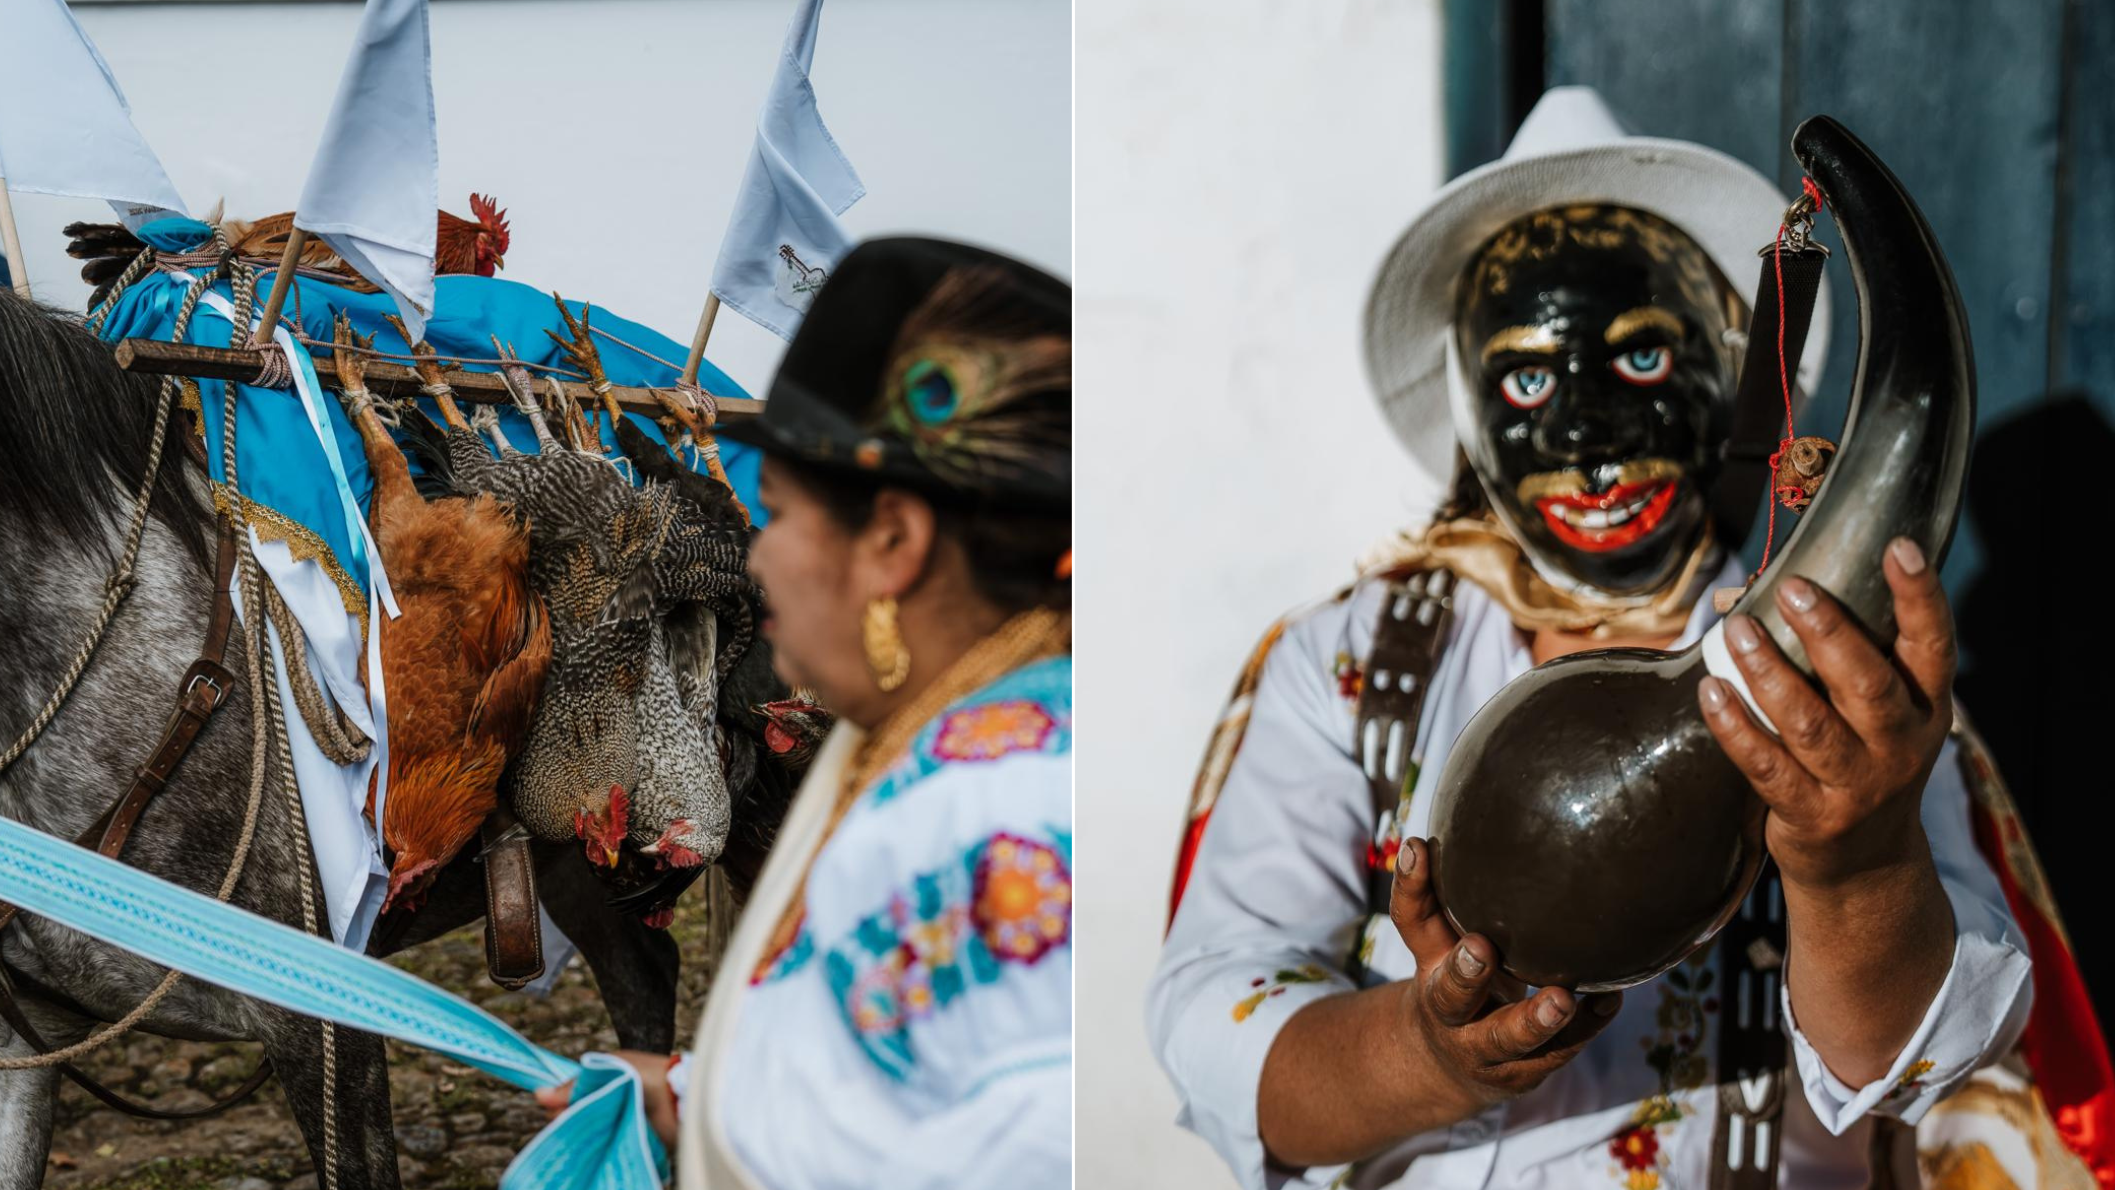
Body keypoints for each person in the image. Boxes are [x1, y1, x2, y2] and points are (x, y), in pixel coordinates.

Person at [1149, 87, 2100, 1189]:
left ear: (1734, 380)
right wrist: (1428, 1046)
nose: (1589, 434)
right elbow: (1218, 1011)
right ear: (1471, 411)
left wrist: (1855, 864)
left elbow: (1926, 1060)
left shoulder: (1840, 678)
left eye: (1645, 360)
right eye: (1531, 376)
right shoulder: (1354, 665)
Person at [538, 237, 1074, 1188]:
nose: (760, 556)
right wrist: (697, 1095)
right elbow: (905, 1072)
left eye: (777, 514)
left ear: (894, 542)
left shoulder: (1004, 822)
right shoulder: (921, 747)